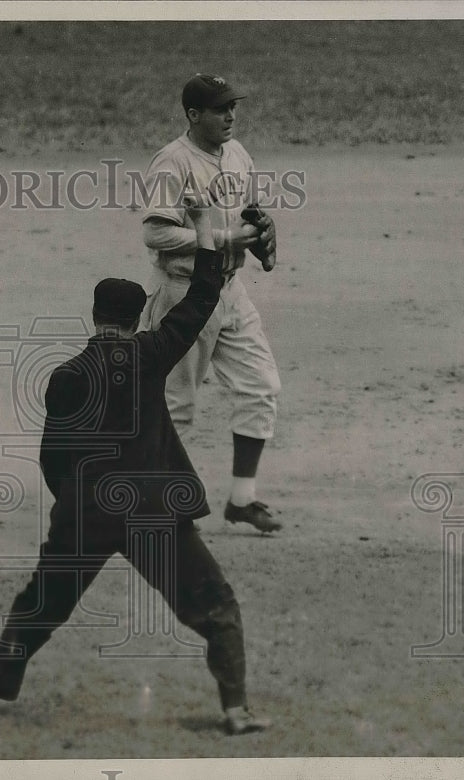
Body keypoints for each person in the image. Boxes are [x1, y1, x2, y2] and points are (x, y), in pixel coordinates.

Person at [0, 196, 271, 735]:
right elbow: (200, 300)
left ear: (96, 317)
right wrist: (202, 230)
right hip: (153, 510)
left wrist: (78, 508)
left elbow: (51, 459)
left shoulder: (65, 375)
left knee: (39, 605)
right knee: (216, 605)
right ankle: (236, 710)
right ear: (134, 320)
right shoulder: (150, 355)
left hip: (86, 512)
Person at [140, 73, 282, 534]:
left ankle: (242, 501)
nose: (230, 115)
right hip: (182, 293)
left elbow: (248, 209)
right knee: (176, 403)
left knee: (260, 385)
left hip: (229, 289)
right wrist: (223, 238)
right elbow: (156, 232)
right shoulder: (173, 162)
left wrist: (261, 229)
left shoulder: (237, 154)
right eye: (220, 109)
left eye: (232, 106)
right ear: (193, 115)